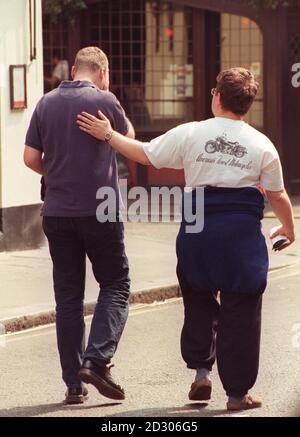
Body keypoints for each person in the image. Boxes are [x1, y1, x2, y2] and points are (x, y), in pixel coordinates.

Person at [76, 67, 295, 411]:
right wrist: (289, 228)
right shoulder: (261, 144)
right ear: (246, 104)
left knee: (198, 300)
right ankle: (238, 394)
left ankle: (201, 372)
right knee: (242, 310)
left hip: (198, 230)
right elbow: (278, 194)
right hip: (241, 235)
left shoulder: (192, 133)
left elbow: (144, 153)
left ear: (217, 97)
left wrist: (108, 134)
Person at [24, 46, 135, 405]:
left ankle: (74, 384)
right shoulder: (106, 99)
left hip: (56, 212)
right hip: (100, 211)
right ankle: (97, 359)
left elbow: (30, 158)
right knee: (116, 283)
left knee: (68, 297)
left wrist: (56, 174)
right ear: (102, 73)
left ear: (73, 70)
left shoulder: (45, 103)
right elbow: (129, 143)